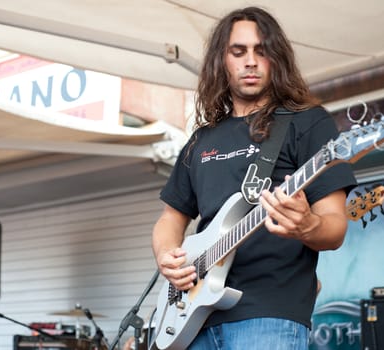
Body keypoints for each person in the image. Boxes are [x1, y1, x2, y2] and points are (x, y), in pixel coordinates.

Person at [152, 6, 356, 350]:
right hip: (193, 314)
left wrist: (307, 225)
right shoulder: (201, 140)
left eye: (262, 51)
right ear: (222, 60)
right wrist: (167, 255)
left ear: (277, 60)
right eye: (239, 51)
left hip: (270, 315)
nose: (250, 61)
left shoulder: (307, 122)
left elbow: (335, 227)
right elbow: (170, 218)